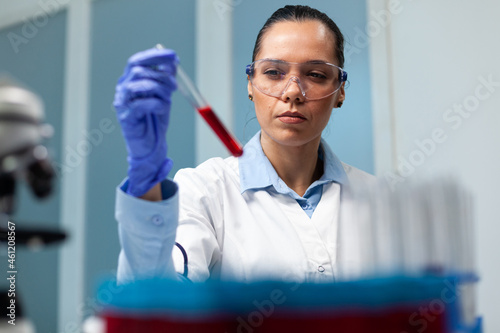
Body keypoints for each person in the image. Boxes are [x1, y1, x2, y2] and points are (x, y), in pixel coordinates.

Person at [113, 5, 374, 284]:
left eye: (316, 75)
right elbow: (160, 304)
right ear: (250, 83)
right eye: (274, 72)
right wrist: (146, 182)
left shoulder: (377, 199)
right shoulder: (204, 191)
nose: (293, 91)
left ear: (340, 91)